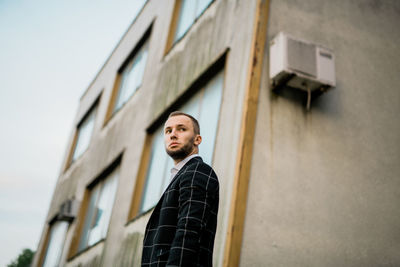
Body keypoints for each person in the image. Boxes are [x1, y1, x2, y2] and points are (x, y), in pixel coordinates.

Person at [141, 111, 219, 267]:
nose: (173, 135)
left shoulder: (197, 171)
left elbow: (188, 234)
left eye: (181, 129)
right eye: (168, 131)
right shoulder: (182, 175)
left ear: (197, 139)